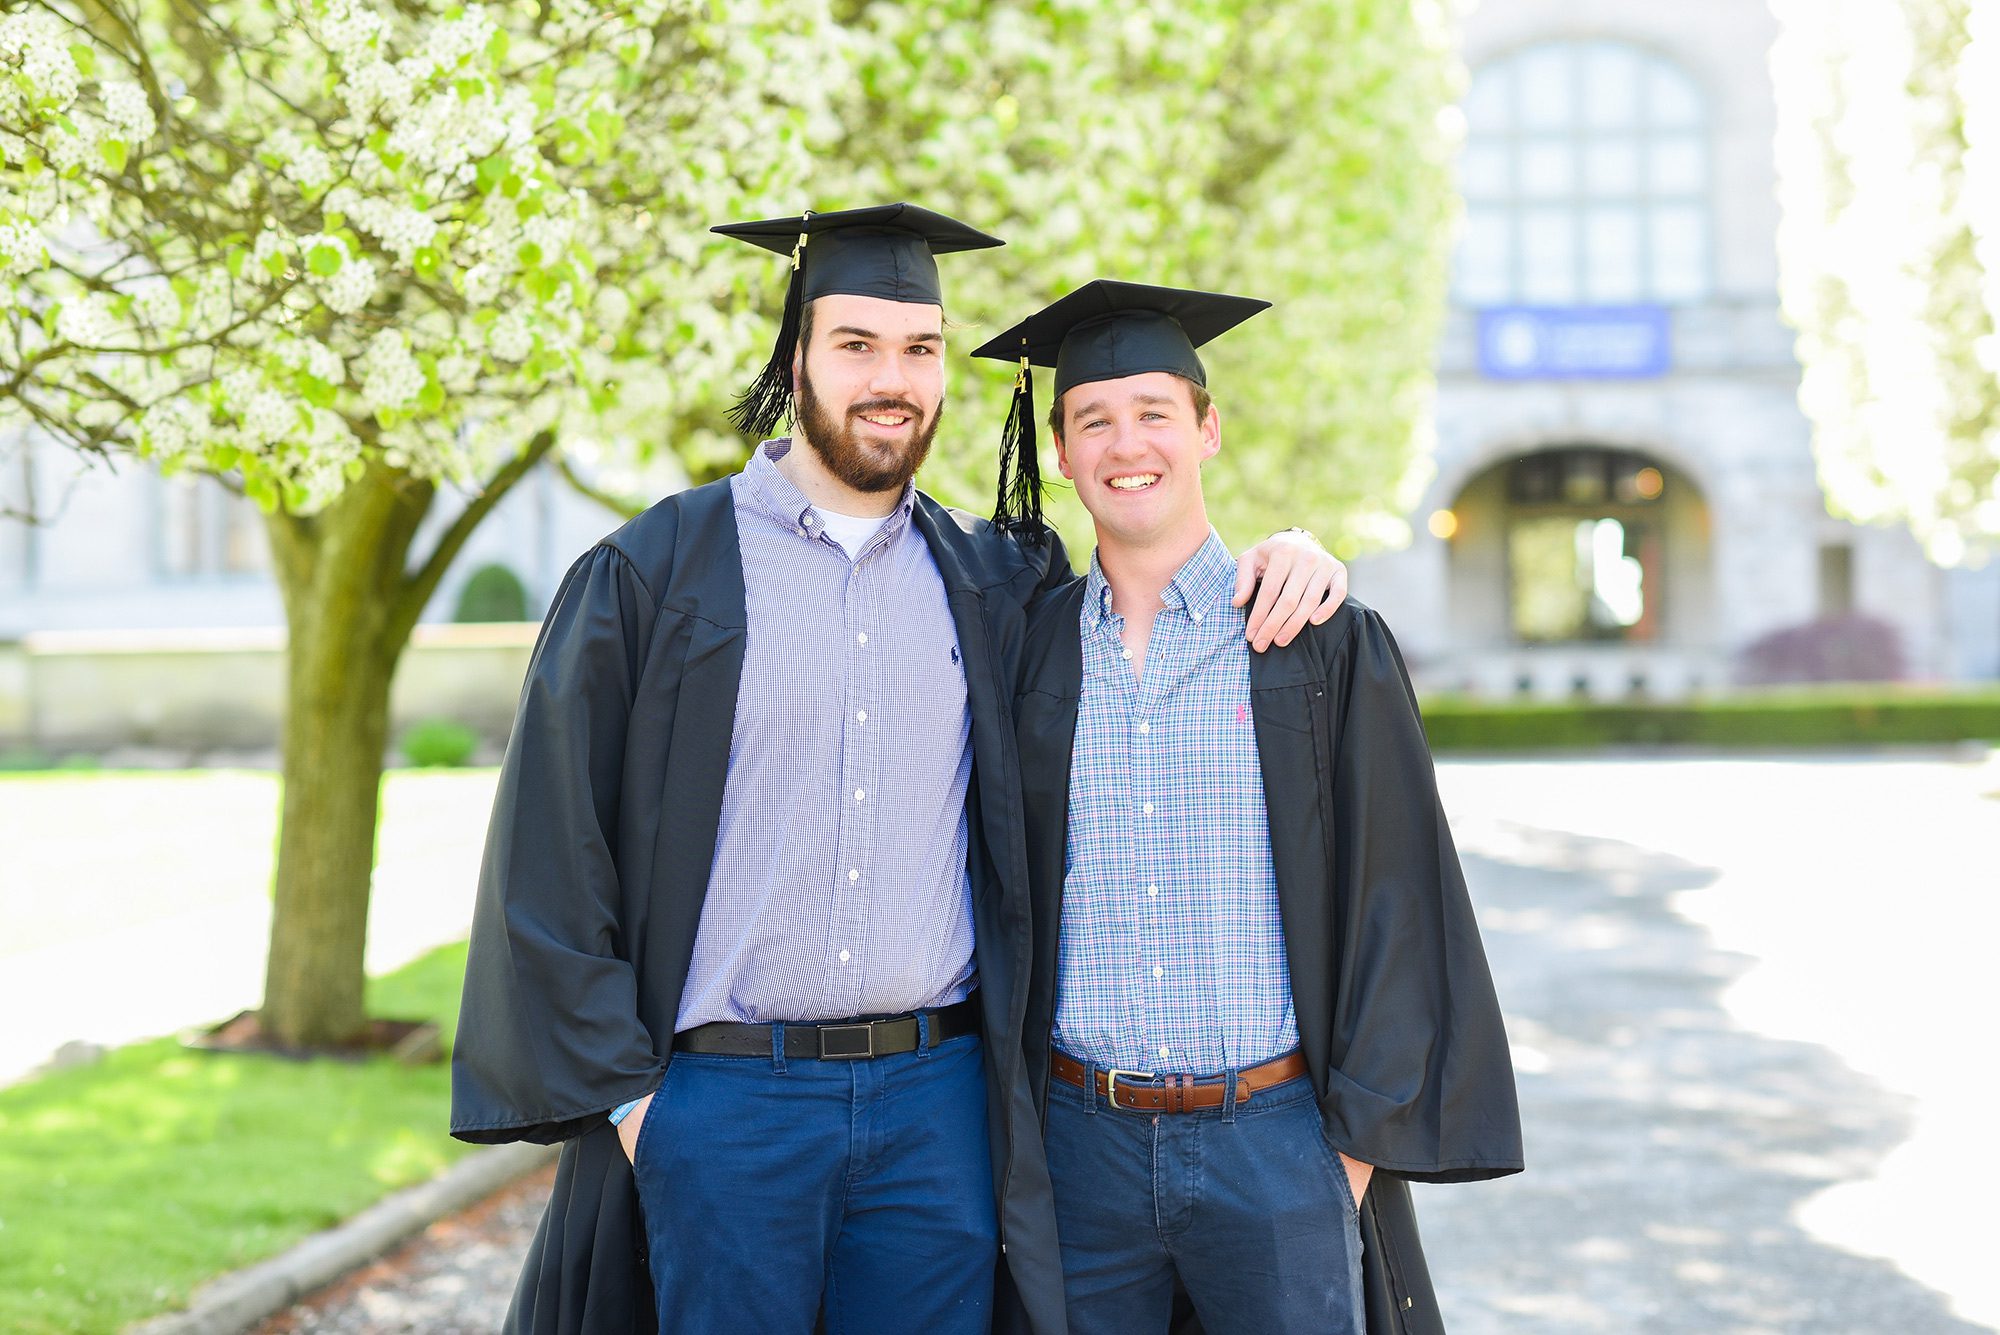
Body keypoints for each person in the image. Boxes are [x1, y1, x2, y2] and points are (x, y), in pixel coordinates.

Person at [449, 209, 1349, 1335]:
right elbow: (551, 848)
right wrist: (636, 1108)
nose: (894, 378)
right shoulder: (656, 574)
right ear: (794, 361)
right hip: (728, 1101)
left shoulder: (996, 580)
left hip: (936, 1107)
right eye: (857, 344)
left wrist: (1290, 555)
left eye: (920, 349)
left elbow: (1146, 595)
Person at [978, 281, 1523, 1335]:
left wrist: (1347, 1157)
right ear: (1057, 449)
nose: (1124, 443)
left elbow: (1392, 897)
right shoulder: (1021, 647)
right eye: (1092, 419)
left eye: (1153, 413)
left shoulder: (1314, 642)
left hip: (1271, 1140)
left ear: (1206, 430)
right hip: (1077, 1143)